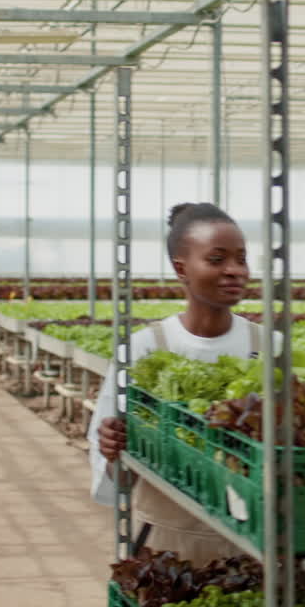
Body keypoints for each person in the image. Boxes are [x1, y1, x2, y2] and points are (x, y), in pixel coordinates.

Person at [88, 202, 267, 564]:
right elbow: (113, 475)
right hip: (168, 543)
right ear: (181, 268)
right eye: (217, 260)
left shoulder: (269, 348)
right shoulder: (143, 348)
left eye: (241, 259)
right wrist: (112, 450)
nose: (234, 271)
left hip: (257, 543)